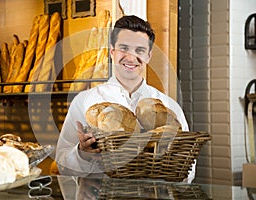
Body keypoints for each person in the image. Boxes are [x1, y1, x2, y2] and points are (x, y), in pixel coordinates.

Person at [55, 15, 195, 183]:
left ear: (149, 56)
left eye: (140, 50)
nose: (131, 58)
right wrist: (81, 154)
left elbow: (188, 171)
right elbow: (61, 165)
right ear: (112, 52)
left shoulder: (168, 106)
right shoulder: (84, 102)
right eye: (124, 48)